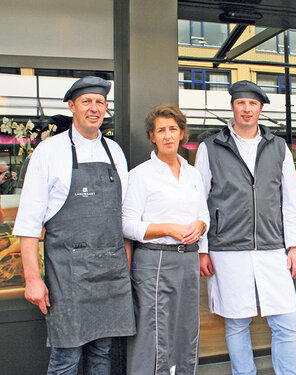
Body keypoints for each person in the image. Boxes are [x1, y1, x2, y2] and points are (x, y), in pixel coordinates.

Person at [13, 76, 135, 375]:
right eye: (86, 102)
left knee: (103, 353)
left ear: (105, 108)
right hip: (69, 275)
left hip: (110, 273)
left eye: (100, 102)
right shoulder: (49, 151)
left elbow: (123, 218)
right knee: (66, 357)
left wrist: (125, 269)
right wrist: (33, 279)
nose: (94, 108)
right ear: (72, 106)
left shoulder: (115, 152)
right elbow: (29, 223)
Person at [195, 80, 296, 375]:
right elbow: (199, 201)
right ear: (232, 106)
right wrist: (202, 249)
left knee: (285, 320)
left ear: (260, 109)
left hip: (273, 246)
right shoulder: (211, 147)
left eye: (253, 104)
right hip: (227, 248)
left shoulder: (278, 146)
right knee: (236, 322)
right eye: (241, 103)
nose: (246, 109)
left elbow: (292, 199)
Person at [122, 104, 209, 375]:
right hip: (154, 260)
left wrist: (201, 224)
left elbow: (203, 213)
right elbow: (127, 225)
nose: (168, 135)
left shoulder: (193, 173)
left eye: (173, 129)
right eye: (161, 130)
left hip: (188, 260)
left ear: (182, 134)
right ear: (152, 136)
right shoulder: (140, 175)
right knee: (153, 332)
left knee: (186, 328)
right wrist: (166, 229)